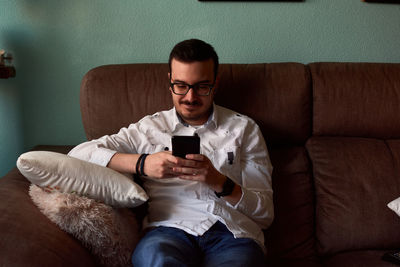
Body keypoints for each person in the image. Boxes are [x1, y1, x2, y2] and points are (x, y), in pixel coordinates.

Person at [68, 39, 273, 267]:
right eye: (181, 85)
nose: (190, 97)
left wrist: (220, 182)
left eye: (202, 86)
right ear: (169, 82)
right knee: (156, 259)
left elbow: (265, 214)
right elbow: (78, 154)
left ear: (216, 83)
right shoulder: (149, 129)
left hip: (232, 234)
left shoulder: (244, 129)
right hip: (168, 232)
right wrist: (142, 163)